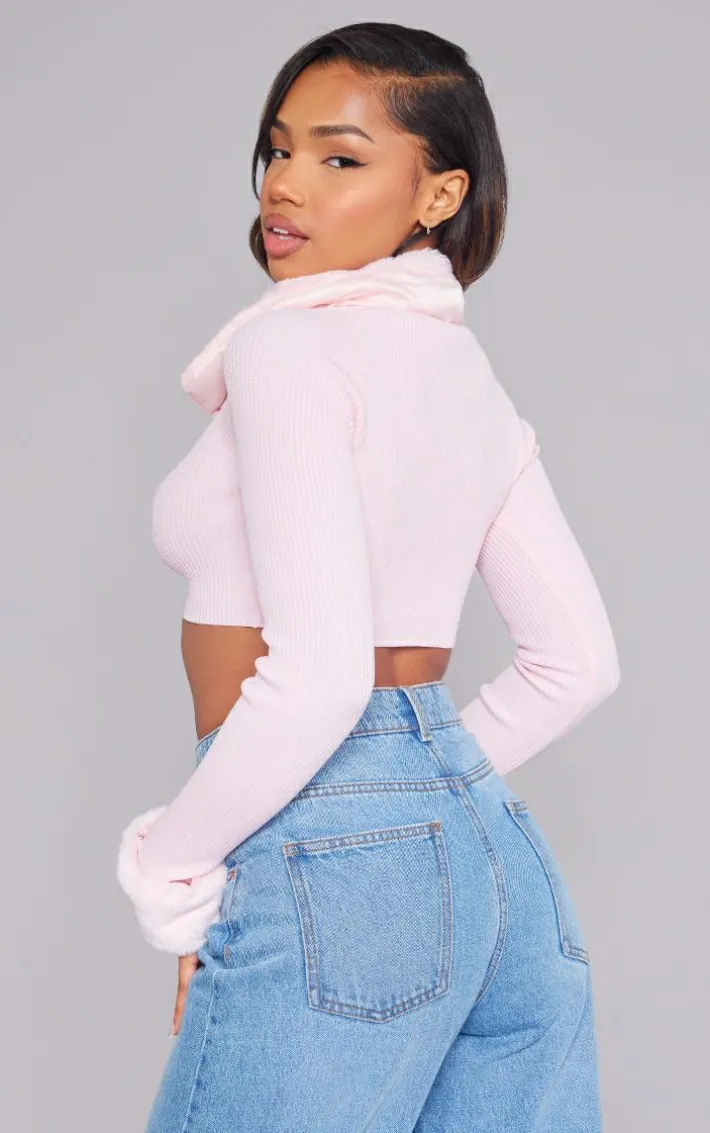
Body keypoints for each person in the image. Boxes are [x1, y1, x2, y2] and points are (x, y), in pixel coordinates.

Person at [117, 20, 620, 1133]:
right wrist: (419, 794)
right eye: (278, 147)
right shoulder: (463, 370)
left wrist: (176, 865)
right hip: (496, 862)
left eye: (339, 157)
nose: (286, 182)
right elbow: (578, 664)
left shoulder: (284, 346)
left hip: (325, 844)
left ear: (439, 194)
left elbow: (320, 677)